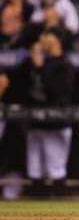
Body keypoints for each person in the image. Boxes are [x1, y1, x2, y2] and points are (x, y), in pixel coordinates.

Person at [14, 28, 74, 197]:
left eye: (47, 35)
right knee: (34, 170)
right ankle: (38, 219)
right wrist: (33, 61)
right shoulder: (34, 60)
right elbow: (19, 84)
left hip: (55, 124)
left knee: (56, 169)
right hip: (34, 122)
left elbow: (57, 92)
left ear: (57, 40)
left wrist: (40, 67)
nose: (41, 38)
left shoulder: (64, 64)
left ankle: (64, 218)